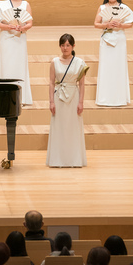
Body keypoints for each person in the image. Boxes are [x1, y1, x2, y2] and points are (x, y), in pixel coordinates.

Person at [46, 33, 88, 167]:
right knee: (59, 127)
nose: (65, 48)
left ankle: (74, 160)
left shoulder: (80, 63)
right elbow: (52, 83)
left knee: (73, 127)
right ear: (60, 46)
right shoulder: (54, 62)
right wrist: (51, 101)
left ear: (73, 46)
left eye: (68, 45)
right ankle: (57, 159)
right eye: (63, 45)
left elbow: (81, 84)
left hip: (74, 97)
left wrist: (81, 102)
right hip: (59, 97)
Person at [94, 0, 133, 106]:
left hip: (119, 40)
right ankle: (105, 98)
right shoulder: (102, 8)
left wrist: (121, 25)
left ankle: (119, 99)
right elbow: (96, 24)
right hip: (107, 39)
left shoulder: (124, 7)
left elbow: (130, 24)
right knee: (106, 67)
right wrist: (106, 25)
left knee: (119, 67)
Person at [0, 0, 33, 105]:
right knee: (6, 65)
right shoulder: (1, 4)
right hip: (6, 38)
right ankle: (3, 96)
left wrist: (22, 27)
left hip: (19, 38)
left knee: (19, 65)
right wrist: (7, 26)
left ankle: (21, 97)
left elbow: (30, 22)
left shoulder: (26, 4)